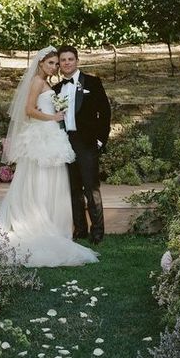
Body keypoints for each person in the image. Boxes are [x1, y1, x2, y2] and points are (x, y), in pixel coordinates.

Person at [0, 46, 98, 267]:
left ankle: (55, 223)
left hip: (53, 136)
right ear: (40, 63)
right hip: (42, 136)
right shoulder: (37, 82)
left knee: (57, 181)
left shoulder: (51, 84)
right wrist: (52, 117)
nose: (54, 67)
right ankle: (38, 223)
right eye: (50, 63)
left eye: (56, 63)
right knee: (40, 179)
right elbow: (29, 110)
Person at [53, 45, 111, 244]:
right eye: (63, 60)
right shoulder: (56, 89)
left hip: (86, 143)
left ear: (77, 60)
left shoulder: (92, 83)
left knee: (91, 188)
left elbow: (105, 112)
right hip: (65, 143)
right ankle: (80, 230)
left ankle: (97, 232)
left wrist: (100, 139)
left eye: (70, 59)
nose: (67, 63)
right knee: (74, 189)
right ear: (59, 64)